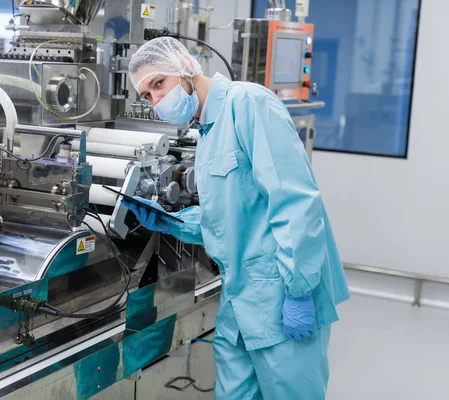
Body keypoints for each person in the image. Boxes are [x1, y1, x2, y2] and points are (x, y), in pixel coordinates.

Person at [122, 37, 350, 399]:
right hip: (240, 301)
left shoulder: (249, 104)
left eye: (158, 84)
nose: (156, 100)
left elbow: (294, 202)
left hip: (282, 294)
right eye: (147, 95)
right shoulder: (208, 131)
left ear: (184, 67)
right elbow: (230, 218)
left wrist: (300, 291)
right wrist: (172, 221)